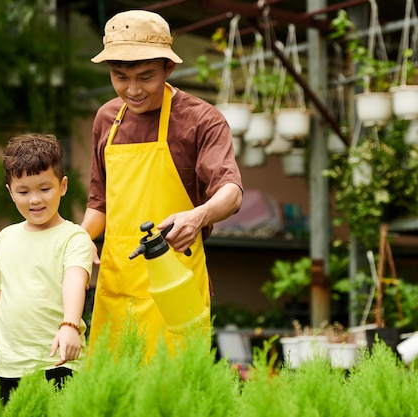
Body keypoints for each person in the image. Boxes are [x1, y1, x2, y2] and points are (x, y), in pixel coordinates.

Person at [81, 10, 243, 356]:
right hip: (117, 284)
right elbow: (99, 205)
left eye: (146, 76)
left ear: (169, 68)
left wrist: (197, 216)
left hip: (176, 286)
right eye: (120, 76)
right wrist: (74, 244)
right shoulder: (107, 118)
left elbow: (231, 192)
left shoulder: (201, 120)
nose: (133, 90)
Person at [0, 133, 94, 404]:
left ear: (62, 186)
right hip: (9, 368)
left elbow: (74, 281)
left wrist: (70, 325)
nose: (35, 199)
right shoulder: (5, 238)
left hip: (59, 362)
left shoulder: (73, 237)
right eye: (23, 191)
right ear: (10, 192)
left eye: (44, 188)